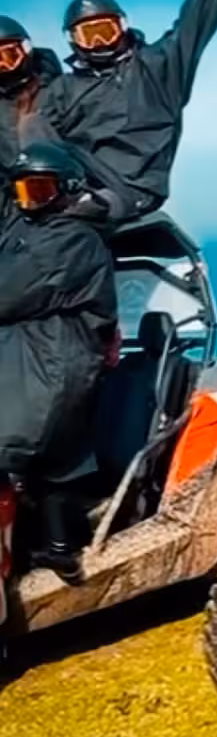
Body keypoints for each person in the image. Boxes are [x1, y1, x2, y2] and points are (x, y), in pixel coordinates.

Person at [41, 0, 217, 223]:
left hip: (131, 186)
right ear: (73, 41)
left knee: (65, 221)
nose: (99, 42)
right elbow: (31, 134)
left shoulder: (155, 68)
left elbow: (188, 35)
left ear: (123, 27)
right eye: (88, 35)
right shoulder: (64, 89)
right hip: (78, 178)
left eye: (105, 30)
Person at [0, 142, 118, 583]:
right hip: (33, 358)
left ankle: (38, 557)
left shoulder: (74, 240)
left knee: (16, 447)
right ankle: (59, 550)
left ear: (66, 189)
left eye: (40, 189)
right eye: (22, 190)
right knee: (55, 460)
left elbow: (8, 291)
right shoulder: (28, 229)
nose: (28, 200)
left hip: (53, 363)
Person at [0, 16, 62, 172]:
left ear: (26, 50)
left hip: (62, 185)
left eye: (10, 56)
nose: (3, 66)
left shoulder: (61, 91)